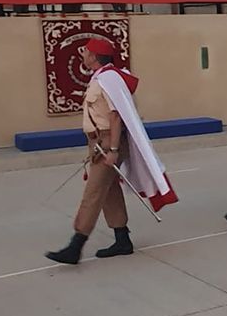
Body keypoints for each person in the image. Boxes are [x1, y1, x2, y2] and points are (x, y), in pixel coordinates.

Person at [45, 38, 177, 265]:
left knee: (93, 193)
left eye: (86, 51)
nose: (83, 54)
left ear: (94, 56)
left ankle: (75, 246)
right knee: (108, 191)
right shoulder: (100, 77)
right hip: (99, 142)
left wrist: (114, 149)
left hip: (108, 142)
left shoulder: (108, 78)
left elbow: (116, 116)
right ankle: (122, 239)